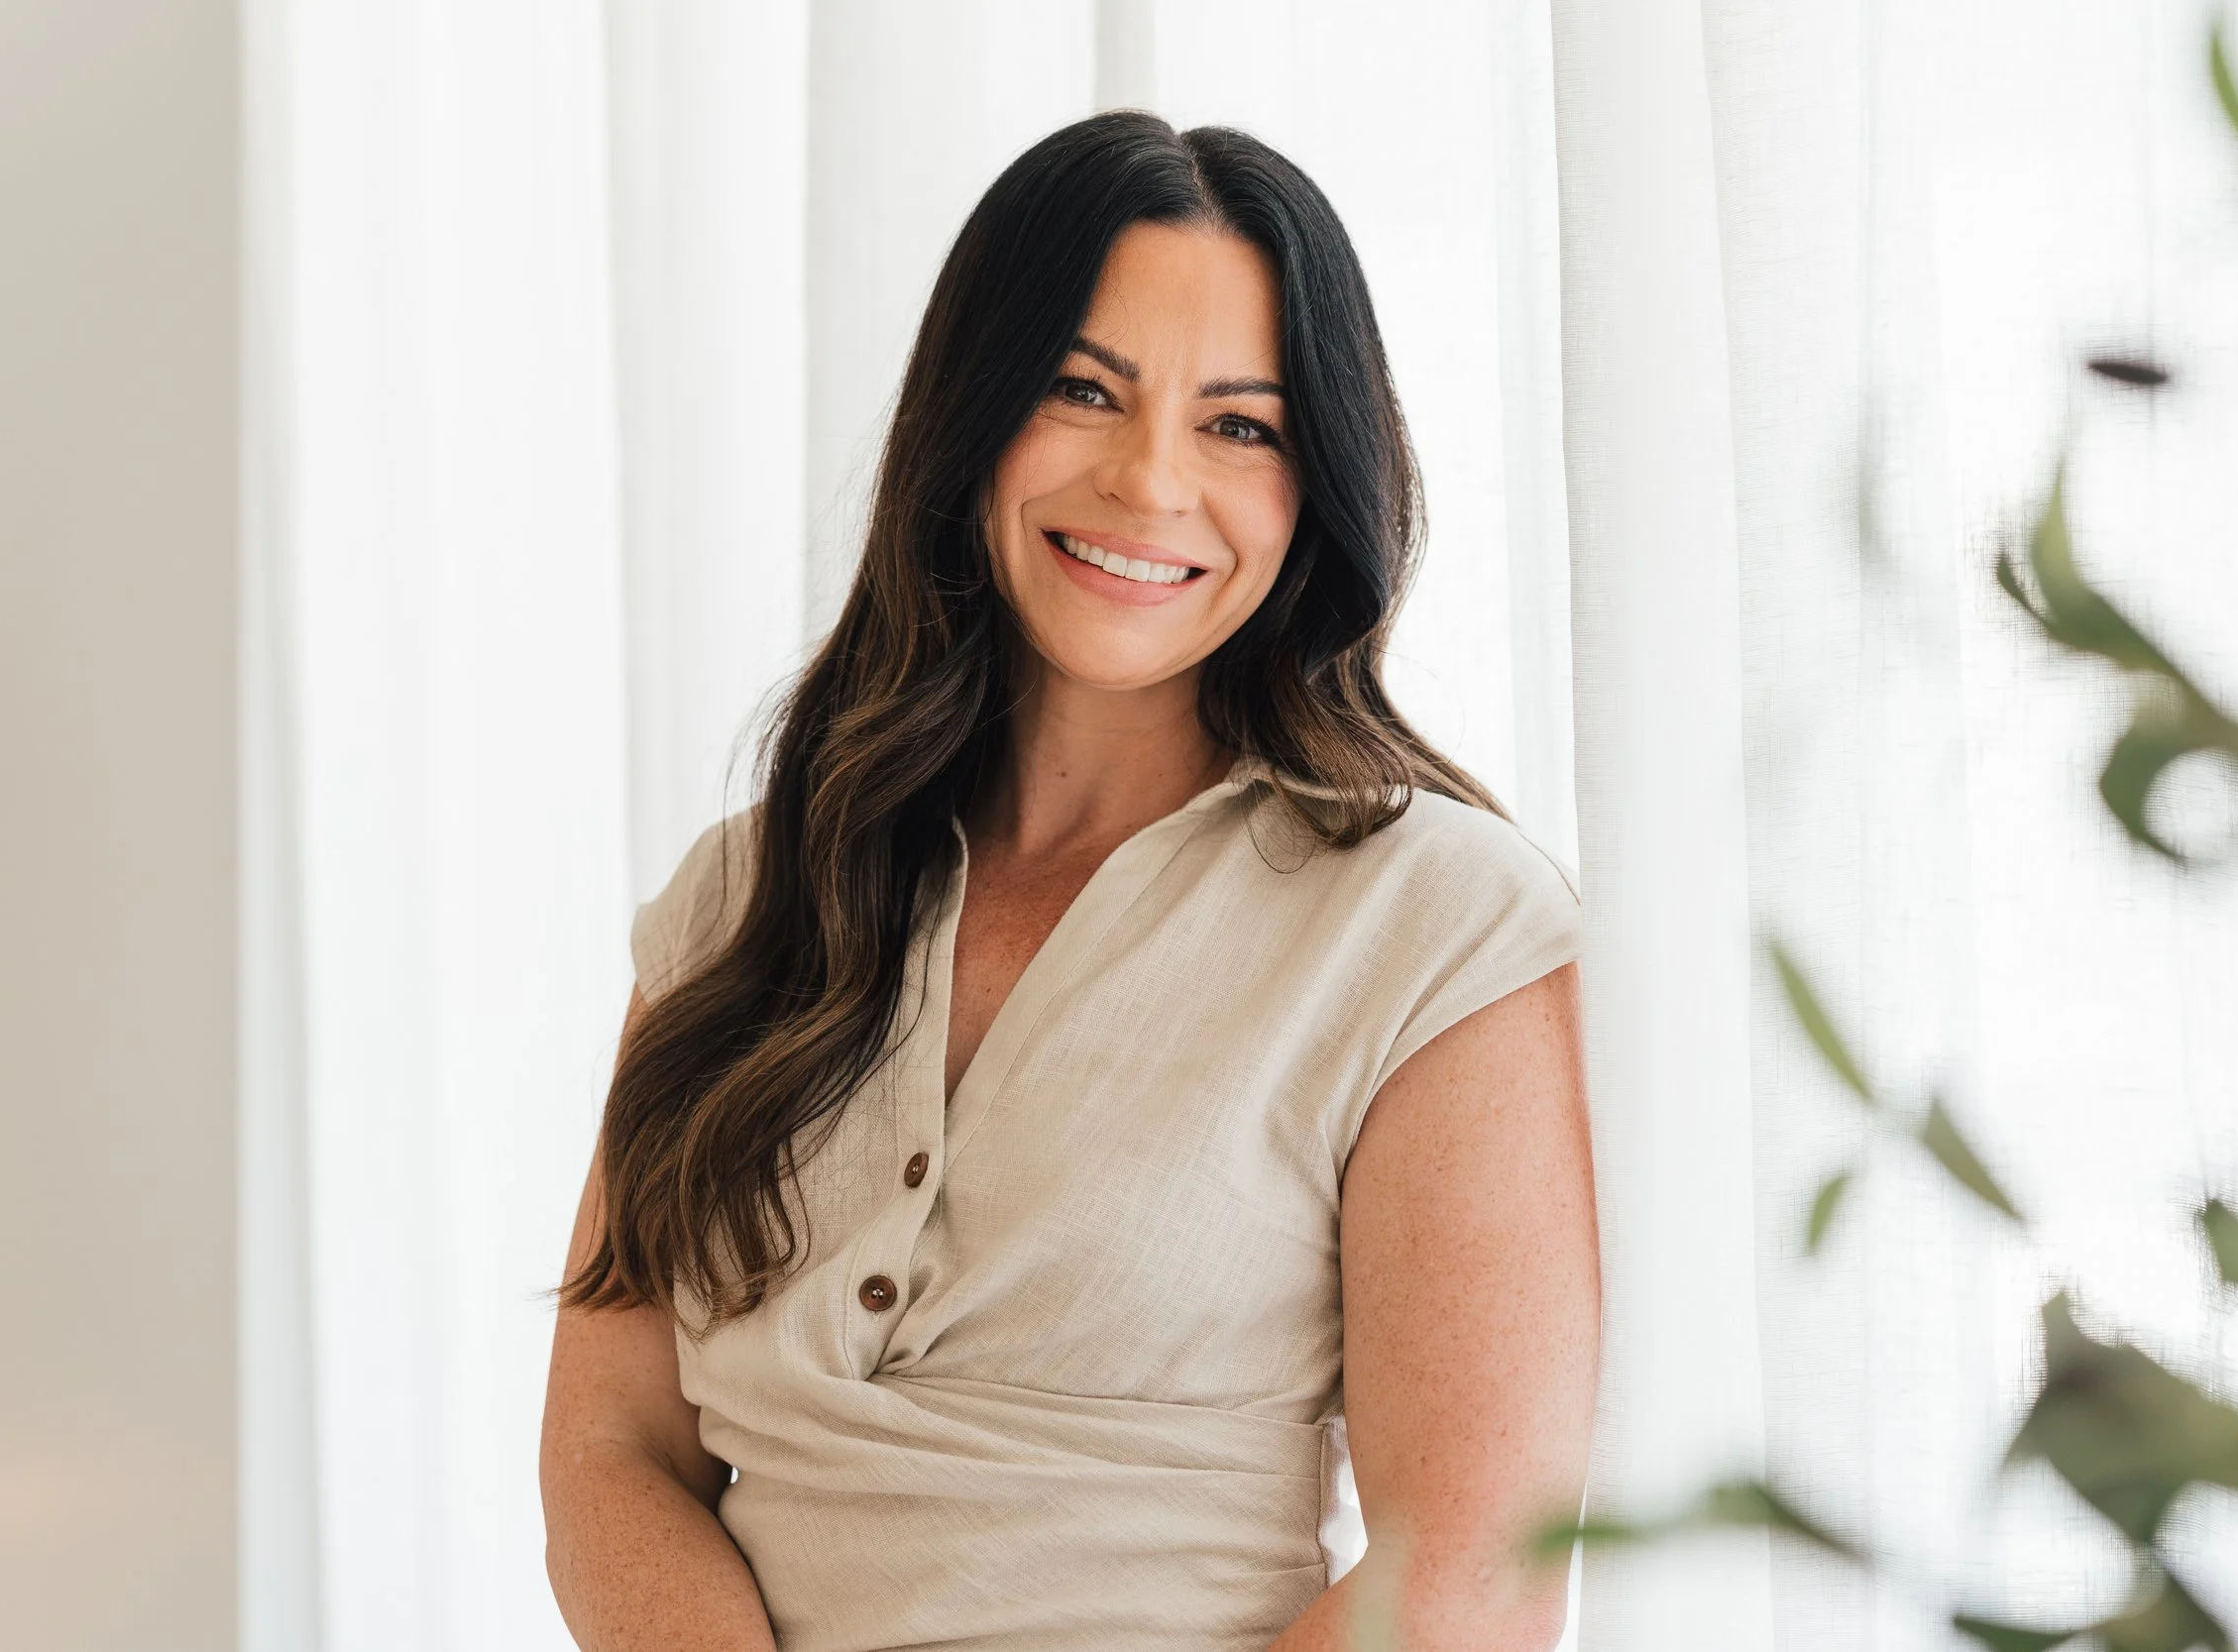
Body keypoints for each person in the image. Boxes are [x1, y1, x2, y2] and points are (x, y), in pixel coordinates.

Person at [539, 109, 1598, 1652]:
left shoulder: (1438, 925)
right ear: (972, 416)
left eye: (1241, 423)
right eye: (1082, 389)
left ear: (1318, 484)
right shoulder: (744, 898)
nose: (1150, 479)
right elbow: (607, 1452)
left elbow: (1471, 1582)